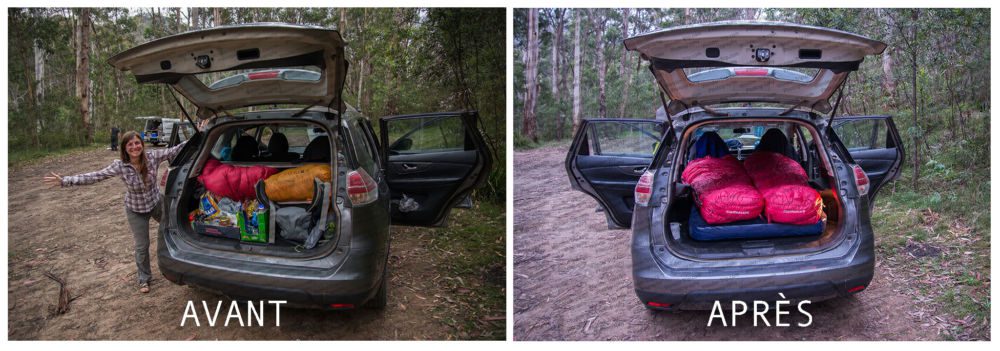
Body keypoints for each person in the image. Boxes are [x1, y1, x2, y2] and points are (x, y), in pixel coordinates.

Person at [44, 131, 187, 294]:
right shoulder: (120, 166)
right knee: (142, 246)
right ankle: (144, 278)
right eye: (130, 144)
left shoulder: (152, 157)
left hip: (156, 203)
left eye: (137, 143)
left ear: (142, 144)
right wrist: (65, 180)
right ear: (125, 148)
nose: (135, 147)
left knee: (175, 228)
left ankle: (183, 263)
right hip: (136, 209)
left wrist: (203, 131)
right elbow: (95, 176)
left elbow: (176, 149)